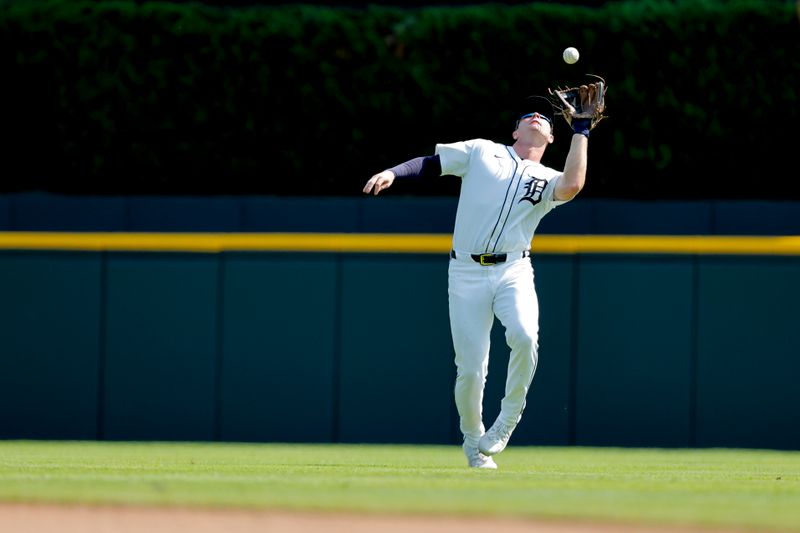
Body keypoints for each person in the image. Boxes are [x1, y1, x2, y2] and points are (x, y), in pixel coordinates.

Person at [363, 102, 592, 469]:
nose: (538, 118)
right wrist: (393, 172)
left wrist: (581, 133)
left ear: (551, 137)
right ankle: (473, 440)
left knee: (525, 335)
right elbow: (432, 163)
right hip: (466, 273)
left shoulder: (549, 177)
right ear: (515, 131)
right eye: (528, 116)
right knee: (471, 369)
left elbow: (573, 184)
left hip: (513, 269)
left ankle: (508, 418)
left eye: (546, 120)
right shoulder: (482, 150)